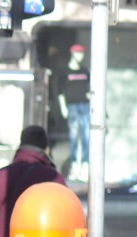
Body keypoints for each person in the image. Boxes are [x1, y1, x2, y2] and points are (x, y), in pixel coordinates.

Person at [58, 43, 90, 181]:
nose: (80, 56)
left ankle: (84, 165)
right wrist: (63, 107)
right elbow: (59, 91)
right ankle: (74, 167)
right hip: (72, 107)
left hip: (85, 106)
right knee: (73, 137)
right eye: (78, 53)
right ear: (72, 54)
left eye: (82, 53)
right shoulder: (65, 72)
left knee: (86, 136)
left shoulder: (84, 71)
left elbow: (89, 87)